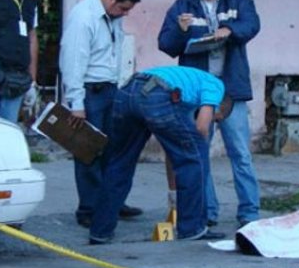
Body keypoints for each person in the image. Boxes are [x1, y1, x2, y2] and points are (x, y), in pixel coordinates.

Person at [158, 0, 261, 228]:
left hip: (231, 90)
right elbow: (166, 44)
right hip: (199, 91)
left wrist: (230, 30)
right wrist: (181, 31)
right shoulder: (182, 7)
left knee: (240, 152)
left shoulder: (239, 1)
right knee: (199, 151)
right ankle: (208, 211)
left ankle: (249, 212)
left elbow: (252, 25)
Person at [89, 66, 229, 244]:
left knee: (120, 162)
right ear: (220, 107)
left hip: (127, 92)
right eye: (216, 119)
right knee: (194, 160)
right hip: (157, 96)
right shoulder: (216, 85)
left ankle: (100, 231)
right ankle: (192, 229)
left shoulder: (190, 80)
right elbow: (202, 125)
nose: (214, 121)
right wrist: (198, 142)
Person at [59, 0, 143, 228]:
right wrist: (76, 102)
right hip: (89, 91)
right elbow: (73, 61)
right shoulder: (84, 17)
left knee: (112, 149)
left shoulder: (112, 16)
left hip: (109, 89)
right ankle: (89, 208)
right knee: (88, 151)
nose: (125, 14)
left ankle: (111, 202)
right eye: (123, 8)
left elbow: (113, 54)